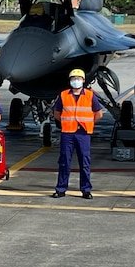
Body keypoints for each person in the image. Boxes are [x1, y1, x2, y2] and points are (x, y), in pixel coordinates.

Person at [52, 68, 103, 199]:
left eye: (78, 79)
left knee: (85, 162)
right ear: (70, 81)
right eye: (73, 79)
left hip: (83, 133)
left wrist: (88, 123)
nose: (76, 81)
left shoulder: (90, 95)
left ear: (83, 81)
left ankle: (86, 190)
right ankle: (61, 189)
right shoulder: (63, 95)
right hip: (67, 133)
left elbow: (99, 113)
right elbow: (57, 113)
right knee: (64, 162)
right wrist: (66, 122)